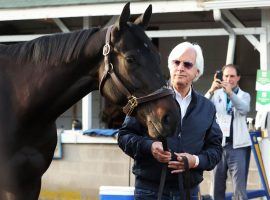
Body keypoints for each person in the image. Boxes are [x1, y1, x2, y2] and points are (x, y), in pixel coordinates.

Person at [117, 41, 223, 200]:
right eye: (176, 62)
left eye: (187, 64)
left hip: (188, 192)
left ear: (197, 72)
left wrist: (195, 161)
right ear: (169, 65)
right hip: (149, 191)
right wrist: (149, 146)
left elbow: (215, 149)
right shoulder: (147, 98)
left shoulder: (207, 107)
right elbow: (124, 136)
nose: (180, 68)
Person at [205, 64, 251, 200]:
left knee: (239, 189)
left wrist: (230, 93)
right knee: (217, 188)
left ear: (238, 78)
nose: (229, 79)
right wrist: (211, 90)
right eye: (226, 76)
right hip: (218, 146)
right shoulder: (216, 94)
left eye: (232, 76)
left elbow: (244, 109)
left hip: (237, 147)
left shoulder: (244, 95)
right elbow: (202, 107)